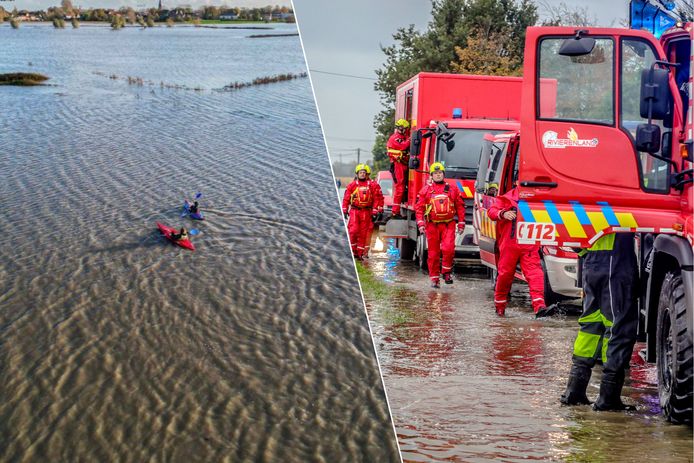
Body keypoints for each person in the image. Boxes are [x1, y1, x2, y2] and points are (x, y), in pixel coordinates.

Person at [560, 233, 638, 411]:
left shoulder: (587, 207)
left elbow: (571, 237)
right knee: (618, 328)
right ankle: (608, 399)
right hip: (615, 264)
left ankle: (574, 392)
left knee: (591, 326)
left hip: (591, 262)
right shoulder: (614, 207)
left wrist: (585, 253)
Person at [487, 187, 550, 317]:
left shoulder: (538, 198)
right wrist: (503, 214)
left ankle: (539, 307)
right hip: (510, 243)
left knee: (535, 273)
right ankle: (500, 307)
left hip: (529, 243)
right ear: (516, 182)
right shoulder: (506, 198)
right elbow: (491, 211)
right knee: (504, 275)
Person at [414, 162, 465, 288]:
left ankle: (446, 272)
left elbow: (460, 206)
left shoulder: (452, 189)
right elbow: (419, 208)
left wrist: (462, 222)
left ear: (443, 174)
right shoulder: (426, 190)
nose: (438, 175)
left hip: (448, 224)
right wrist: (420, 223)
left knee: (448, 249)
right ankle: (434, 278)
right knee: (433, 253)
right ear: (431, 175)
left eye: (440, 173)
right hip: (432, 225)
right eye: (435, 173)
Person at [342, 164, 384, 260]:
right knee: (353, 231)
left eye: (364, 173)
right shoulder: (352, 185)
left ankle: (360, 254)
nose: (362, 174)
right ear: (357, 174)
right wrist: (344, 210)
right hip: (354, 211)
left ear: (367, 174)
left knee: (363, 234)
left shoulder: (372, 185)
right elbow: (346, 198)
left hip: (366, 212)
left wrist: (376, 211)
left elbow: (377, 199)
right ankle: (353, 250)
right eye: (360, 172)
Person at [387, 118, 411, 218]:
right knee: (400, 188)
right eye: (402, 128)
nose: (403, 130)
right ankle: (395, 212)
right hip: (398, 164)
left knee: (403, 187)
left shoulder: (403, 136)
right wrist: (410, 140)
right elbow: (402, 147)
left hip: (404, 163)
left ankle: (397, 210)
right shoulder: (395, 138)